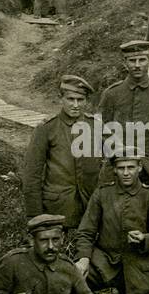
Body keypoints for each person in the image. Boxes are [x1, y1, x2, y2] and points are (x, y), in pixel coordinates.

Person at [73, 150, 149, 294]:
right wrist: (83, 258)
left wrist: (144, 238)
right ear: (114, 170)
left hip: (138, 263)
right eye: (121, 168)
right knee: (73, 282)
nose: (126, 173)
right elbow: (86, 231)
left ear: (140, 168)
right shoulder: (102, 194)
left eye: (131, 167)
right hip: (105, 262)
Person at [96, 39, 149, 227]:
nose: (137, 65)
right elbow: (101, 130)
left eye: (141, 60)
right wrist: (115, 152)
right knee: (104, 208)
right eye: (132, 60)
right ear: (124, 63)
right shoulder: (112, 94)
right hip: (120, 166)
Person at [21, 74, 101, 225]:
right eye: (71, 99)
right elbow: (32, 175)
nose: (75, 105)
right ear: (61, 99)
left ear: (86, 101)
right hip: (57, 209)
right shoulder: (46, 128)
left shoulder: (95, 126)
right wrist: (35, 216)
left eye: (80, 100)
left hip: (91, 207)